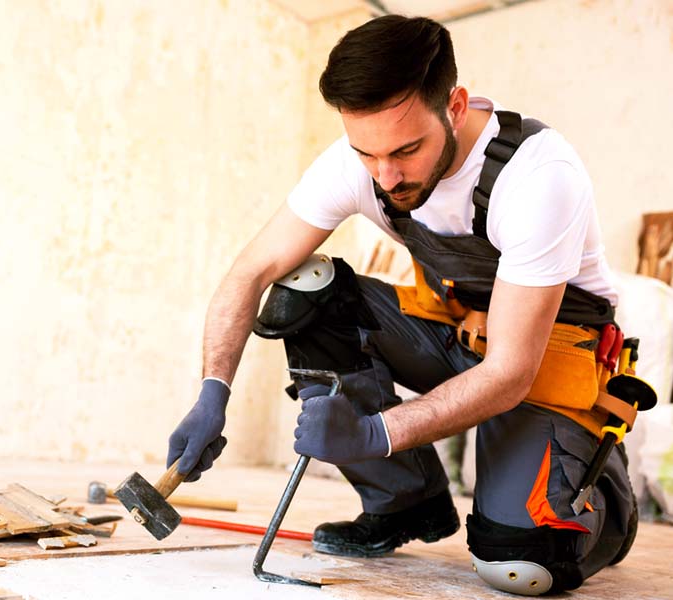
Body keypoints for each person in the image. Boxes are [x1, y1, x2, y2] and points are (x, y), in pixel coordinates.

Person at [165, 14, 639, 596]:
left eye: (407, 150)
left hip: (544, 363)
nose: (386, 176)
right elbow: (250, 271)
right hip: (458, 334)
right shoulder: (360, 162)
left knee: (521, 567)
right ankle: (404, 502)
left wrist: (375, 434)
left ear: (456, 106)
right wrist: (214, 392)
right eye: (367, 153)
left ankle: (608, 508)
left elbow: (510, 372)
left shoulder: (539, 176)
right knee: (301, 291)